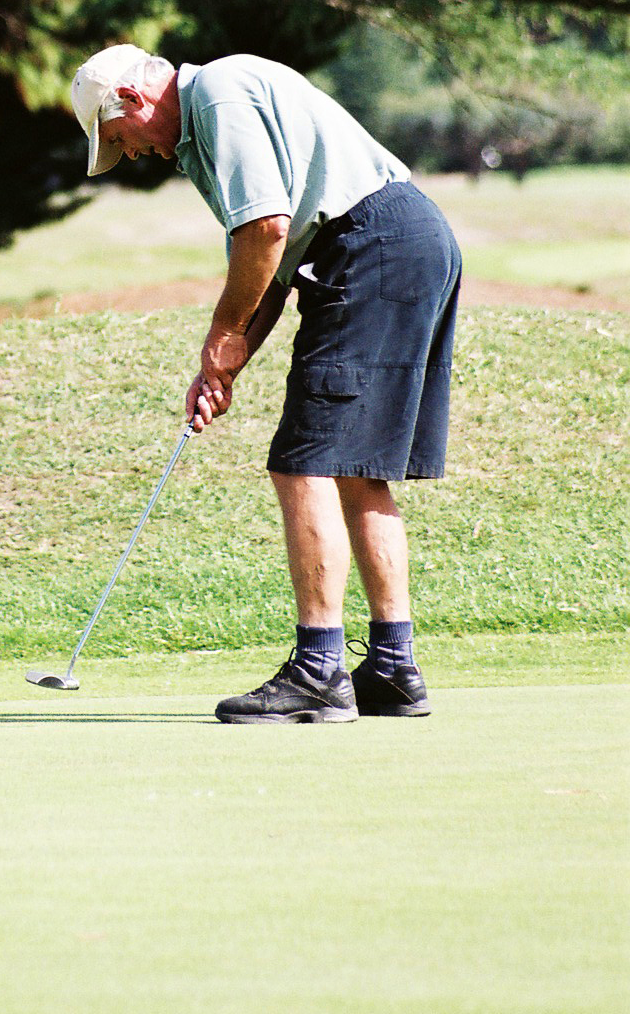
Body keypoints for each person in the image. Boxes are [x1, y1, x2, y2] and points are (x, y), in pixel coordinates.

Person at [70, 43, 461, 725]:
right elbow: (268, 272)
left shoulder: (219, 92)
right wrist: (224, 367)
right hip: (402, 242)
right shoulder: (202, 130)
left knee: (303, 462)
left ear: (131, 99)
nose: (131, 154)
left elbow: (267, 230)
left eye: (119, 140)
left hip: (369, 246)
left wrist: (222, 338)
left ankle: (318, 670)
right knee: (355, 467)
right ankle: (393, 668)